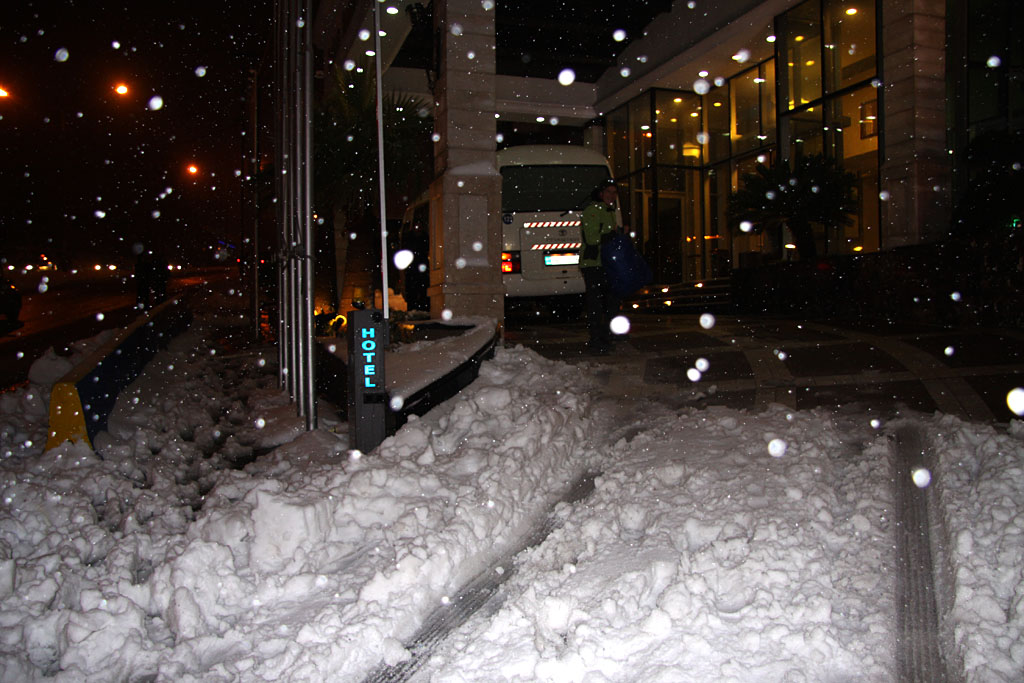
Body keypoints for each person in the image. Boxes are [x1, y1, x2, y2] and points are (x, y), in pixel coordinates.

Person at [580, 180, 620, 354]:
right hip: (592, 263)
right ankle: (596, 339)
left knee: (609, 301)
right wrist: (609, 236)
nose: (611, 195)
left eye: (614, 192)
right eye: (608, 192)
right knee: (596, 303)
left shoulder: (609, 211)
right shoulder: (593, 210)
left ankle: (604, 336)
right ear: (601, 193)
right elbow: (591, 238)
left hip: (605, 263)